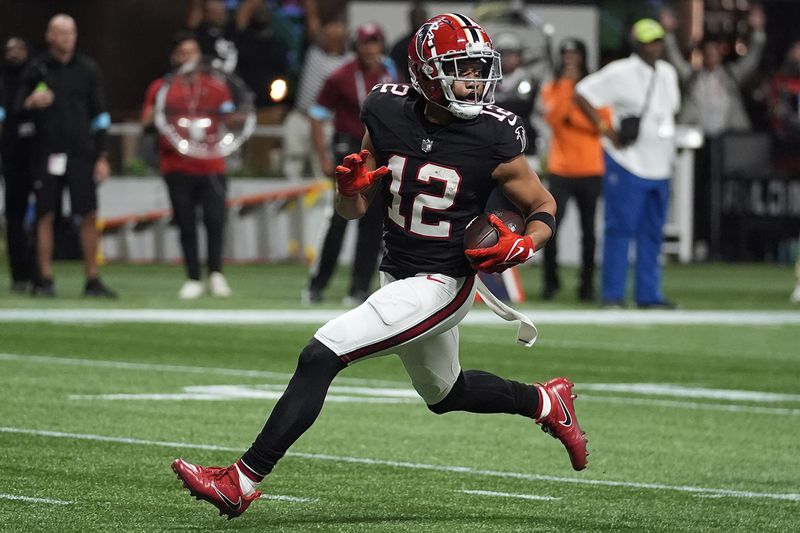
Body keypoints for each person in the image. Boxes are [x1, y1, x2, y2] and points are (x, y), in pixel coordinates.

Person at [171, 13, 588, 521]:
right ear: (427, 74)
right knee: (446, 393)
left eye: (479, 69)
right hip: (398, 272)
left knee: (320, 354)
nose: (475, 81)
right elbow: (357, 208)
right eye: (461, 68)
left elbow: (543, 204)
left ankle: (240, 480)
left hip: (443, 282)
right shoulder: (386, 111)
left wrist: (527, 243)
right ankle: (546, 402)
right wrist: (349, 190)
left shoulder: (493, 135)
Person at [575, 19, 680, 309]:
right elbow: (581, 92)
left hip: (660, 164)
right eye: (649, 41)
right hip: (628, 161)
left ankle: (649, 295)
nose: (655, 46)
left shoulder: (668, 73)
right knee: (619, 230)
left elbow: (670, 112)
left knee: (652, 233)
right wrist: (604, 127)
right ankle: (613, 295)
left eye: (658, 40)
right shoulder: (620, 71)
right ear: (637, 44)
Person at [19, 14, 116, 298]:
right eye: (60, 33)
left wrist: (102, 155)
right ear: (49, 36)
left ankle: (92, 278)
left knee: (88, 213)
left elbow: (100, 115)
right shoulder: (37, 69)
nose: (66, 38)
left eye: (70, 32)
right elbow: (15, 111)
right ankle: (45, 277)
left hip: (81, 154)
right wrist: (30, 103)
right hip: (46, 152)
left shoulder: (88, 69)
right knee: (45, 214)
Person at [304, 23, 396, 305]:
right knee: (339, 220)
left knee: (372, 223)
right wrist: (321, 154)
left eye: (375, 42)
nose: (370, 49)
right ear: (357, 46)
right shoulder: (341, 77)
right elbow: (317, 115)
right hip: (348, 149)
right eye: (366, 43)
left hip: (378, 153)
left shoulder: (389, 74)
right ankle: (317, 284)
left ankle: (358, 287)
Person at [661, 5, 766, 249]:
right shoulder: (693, 77)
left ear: (719, 55)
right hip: (697, 143)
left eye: (714, 53)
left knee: (726, 195)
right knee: (697, 193)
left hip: (727, 142)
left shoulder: (730, 76)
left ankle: (725, 242)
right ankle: (699, 239)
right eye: (706, 53)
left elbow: (752, 59)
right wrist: (668, 33)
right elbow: (675, 59)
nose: (711, 57)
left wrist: (758, 32)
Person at [141, 33, 233, 299]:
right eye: (183, 52)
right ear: (175, 57)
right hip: (176, 164)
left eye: (193, 52)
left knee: (216, 221)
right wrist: (159, 113)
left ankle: (216, 273)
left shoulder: (216, 86)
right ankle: (193, 277)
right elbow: (145, 122)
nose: (188, 57)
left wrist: (243, 116)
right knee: (186, 223)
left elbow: (233, 119)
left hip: (212, 163)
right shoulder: (162, 88)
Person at [540, 38, 608, 302]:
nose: (570, 58)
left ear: (582, 56)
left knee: (589, 232)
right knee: (551, 227)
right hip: (561, 168)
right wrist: (569, 88)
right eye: (566, 53)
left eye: (574, 53)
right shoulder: (555, 85)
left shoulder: (596, 86)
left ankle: (587, 285)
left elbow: (602, 123)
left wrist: (573, 116)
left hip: (591, 167)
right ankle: (550, 282)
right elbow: (553, 118)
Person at [281, 18, 350, 181]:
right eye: (327, 34)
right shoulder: (314, 53)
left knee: (321, 171)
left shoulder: (348, 61)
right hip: (300, 116)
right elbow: (313, 28)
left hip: (325, 123)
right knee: (291, 165)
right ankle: (289, 204)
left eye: (334, 35)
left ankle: (320, 207)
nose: (328, 37)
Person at [1, 37, 36, 293]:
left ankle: (38, 271)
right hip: (11, 158)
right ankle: (19, 274)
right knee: (14, 216)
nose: (14, 54)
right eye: (10, 50)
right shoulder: (2, 81)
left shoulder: (36, 77)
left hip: (37, 156)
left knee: (46, 214)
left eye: (19, 49)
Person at [186, 0, 238, 73]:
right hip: (208, 76)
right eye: (215, 12)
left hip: (231, 79)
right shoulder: (200, 32)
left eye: (222, 11)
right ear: (206, 14)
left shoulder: (231, 31)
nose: (220, 15)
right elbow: (194, 15)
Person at [388, 1, 428, 84]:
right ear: (410, 19)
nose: (418, 20)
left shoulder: (433, 44)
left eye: (421, 17)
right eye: (415, 17)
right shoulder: (400, 47)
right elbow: (394, 72)